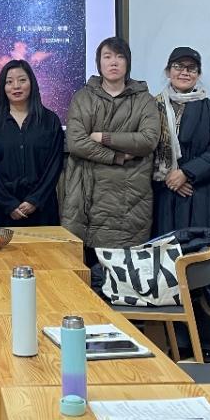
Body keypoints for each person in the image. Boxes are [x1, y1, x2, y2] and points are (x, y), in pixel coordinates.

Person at [151, 47, 210, 363]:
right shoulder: (154, 108)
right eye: (178, 66)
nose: (184, 72)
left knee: (203, 268)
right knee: (171, 269)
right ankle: (179, 342)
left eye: (191, 68)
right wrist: (169, 177)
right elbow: (145, 148)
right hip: (166, 201)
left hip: (204, 199)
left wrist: (187, 173)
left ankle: (206, 343)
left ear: (198, 74)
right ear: (168, 70)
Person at [63, 37, 159, 258]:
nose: (113, 62)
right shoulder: (83, 97)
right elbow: (76, 142)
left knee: (123, 269)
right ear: (99, 63)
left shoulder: (144, 100)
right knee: (83, 268)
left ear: (128, 63)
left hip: (129, 200)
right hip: (85, 197)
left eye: (119, 57)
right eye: (107, 57)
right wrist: (117, 156)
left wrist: (103, 137)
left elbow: (148, 140)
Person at [0, 60, 64, 227]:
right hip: (3, 210)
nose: (16, 86)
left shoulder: (49, 120)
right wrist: (8, 203)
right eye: (9, 82)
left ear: (31, 83)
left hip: (43, 208)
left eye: (22, 80)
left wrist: (35, 200)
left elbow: (54, 165)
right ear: (2, 87)